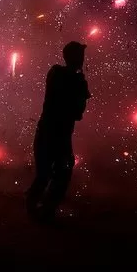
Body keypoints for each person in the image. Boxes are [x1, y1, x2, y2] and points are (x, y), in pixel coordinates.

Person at [27, 41, 91, 221]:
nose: (83, 59)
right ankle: (39, 208)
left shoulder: (62, 74)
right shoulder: (62, 74)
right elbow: (77, 112)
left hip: (55, 132)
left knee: (54, 172)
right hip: (52, 132)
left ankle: (40, 208)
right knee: (51, 173)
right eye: (80, 56)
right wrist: (80, 86)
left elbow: (77, 113)